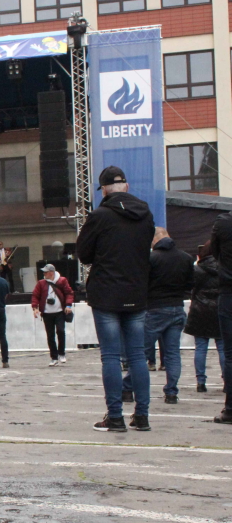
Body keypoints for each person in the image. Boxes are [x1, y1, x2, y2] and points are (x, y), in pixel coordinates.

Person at [77, 166, 155, 432]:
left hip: (107, 293)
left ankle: (115, 416)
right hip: (136, 291)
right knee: (137, 356)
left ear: (105, 190)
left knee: (110, 356)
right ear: (127, 186)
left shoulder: (100, 216)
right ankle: (142, 416)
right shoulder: (145, 214)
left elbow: (84, 254)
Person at [143, 227, 194, 404]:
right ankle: (171, 392)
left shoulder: (151, 258)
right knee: (172, 354)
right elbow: (190, 283)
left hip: (155, 308)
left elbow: (143, 283)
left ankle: (128, 387)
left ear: (156, 239)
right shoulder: (186, 258)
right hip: (177, 307)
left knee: (140, 352)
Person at [185, 241, 224, 393]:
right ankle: (227, 381)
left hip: (200, 309)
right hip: (220, 309)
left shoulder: (197, 269)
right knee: (222, 348)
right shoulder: (225, 268)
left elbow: (191, 288)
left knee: (200, 348)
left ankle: (200, 381)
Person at [210, 210, 232, 424]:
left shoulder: (224, 222)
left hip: (229, 290)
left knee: (230, 353)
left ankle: (231, 408)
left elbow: (215, 252)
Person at [31, 263, 74, 366]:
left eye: (45, 272)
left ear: (51, 273)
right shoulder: (41, 283)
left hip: (59, 312)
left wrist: (68, 305)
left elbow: (69, 293)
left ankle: (62, 353)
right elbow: (35, 295)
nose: (44, 274)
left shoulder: (62, 281)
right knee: (50, 335)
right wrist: (35, 307)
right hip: (47, 313)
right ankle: (54, 357)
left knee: (61, 331)